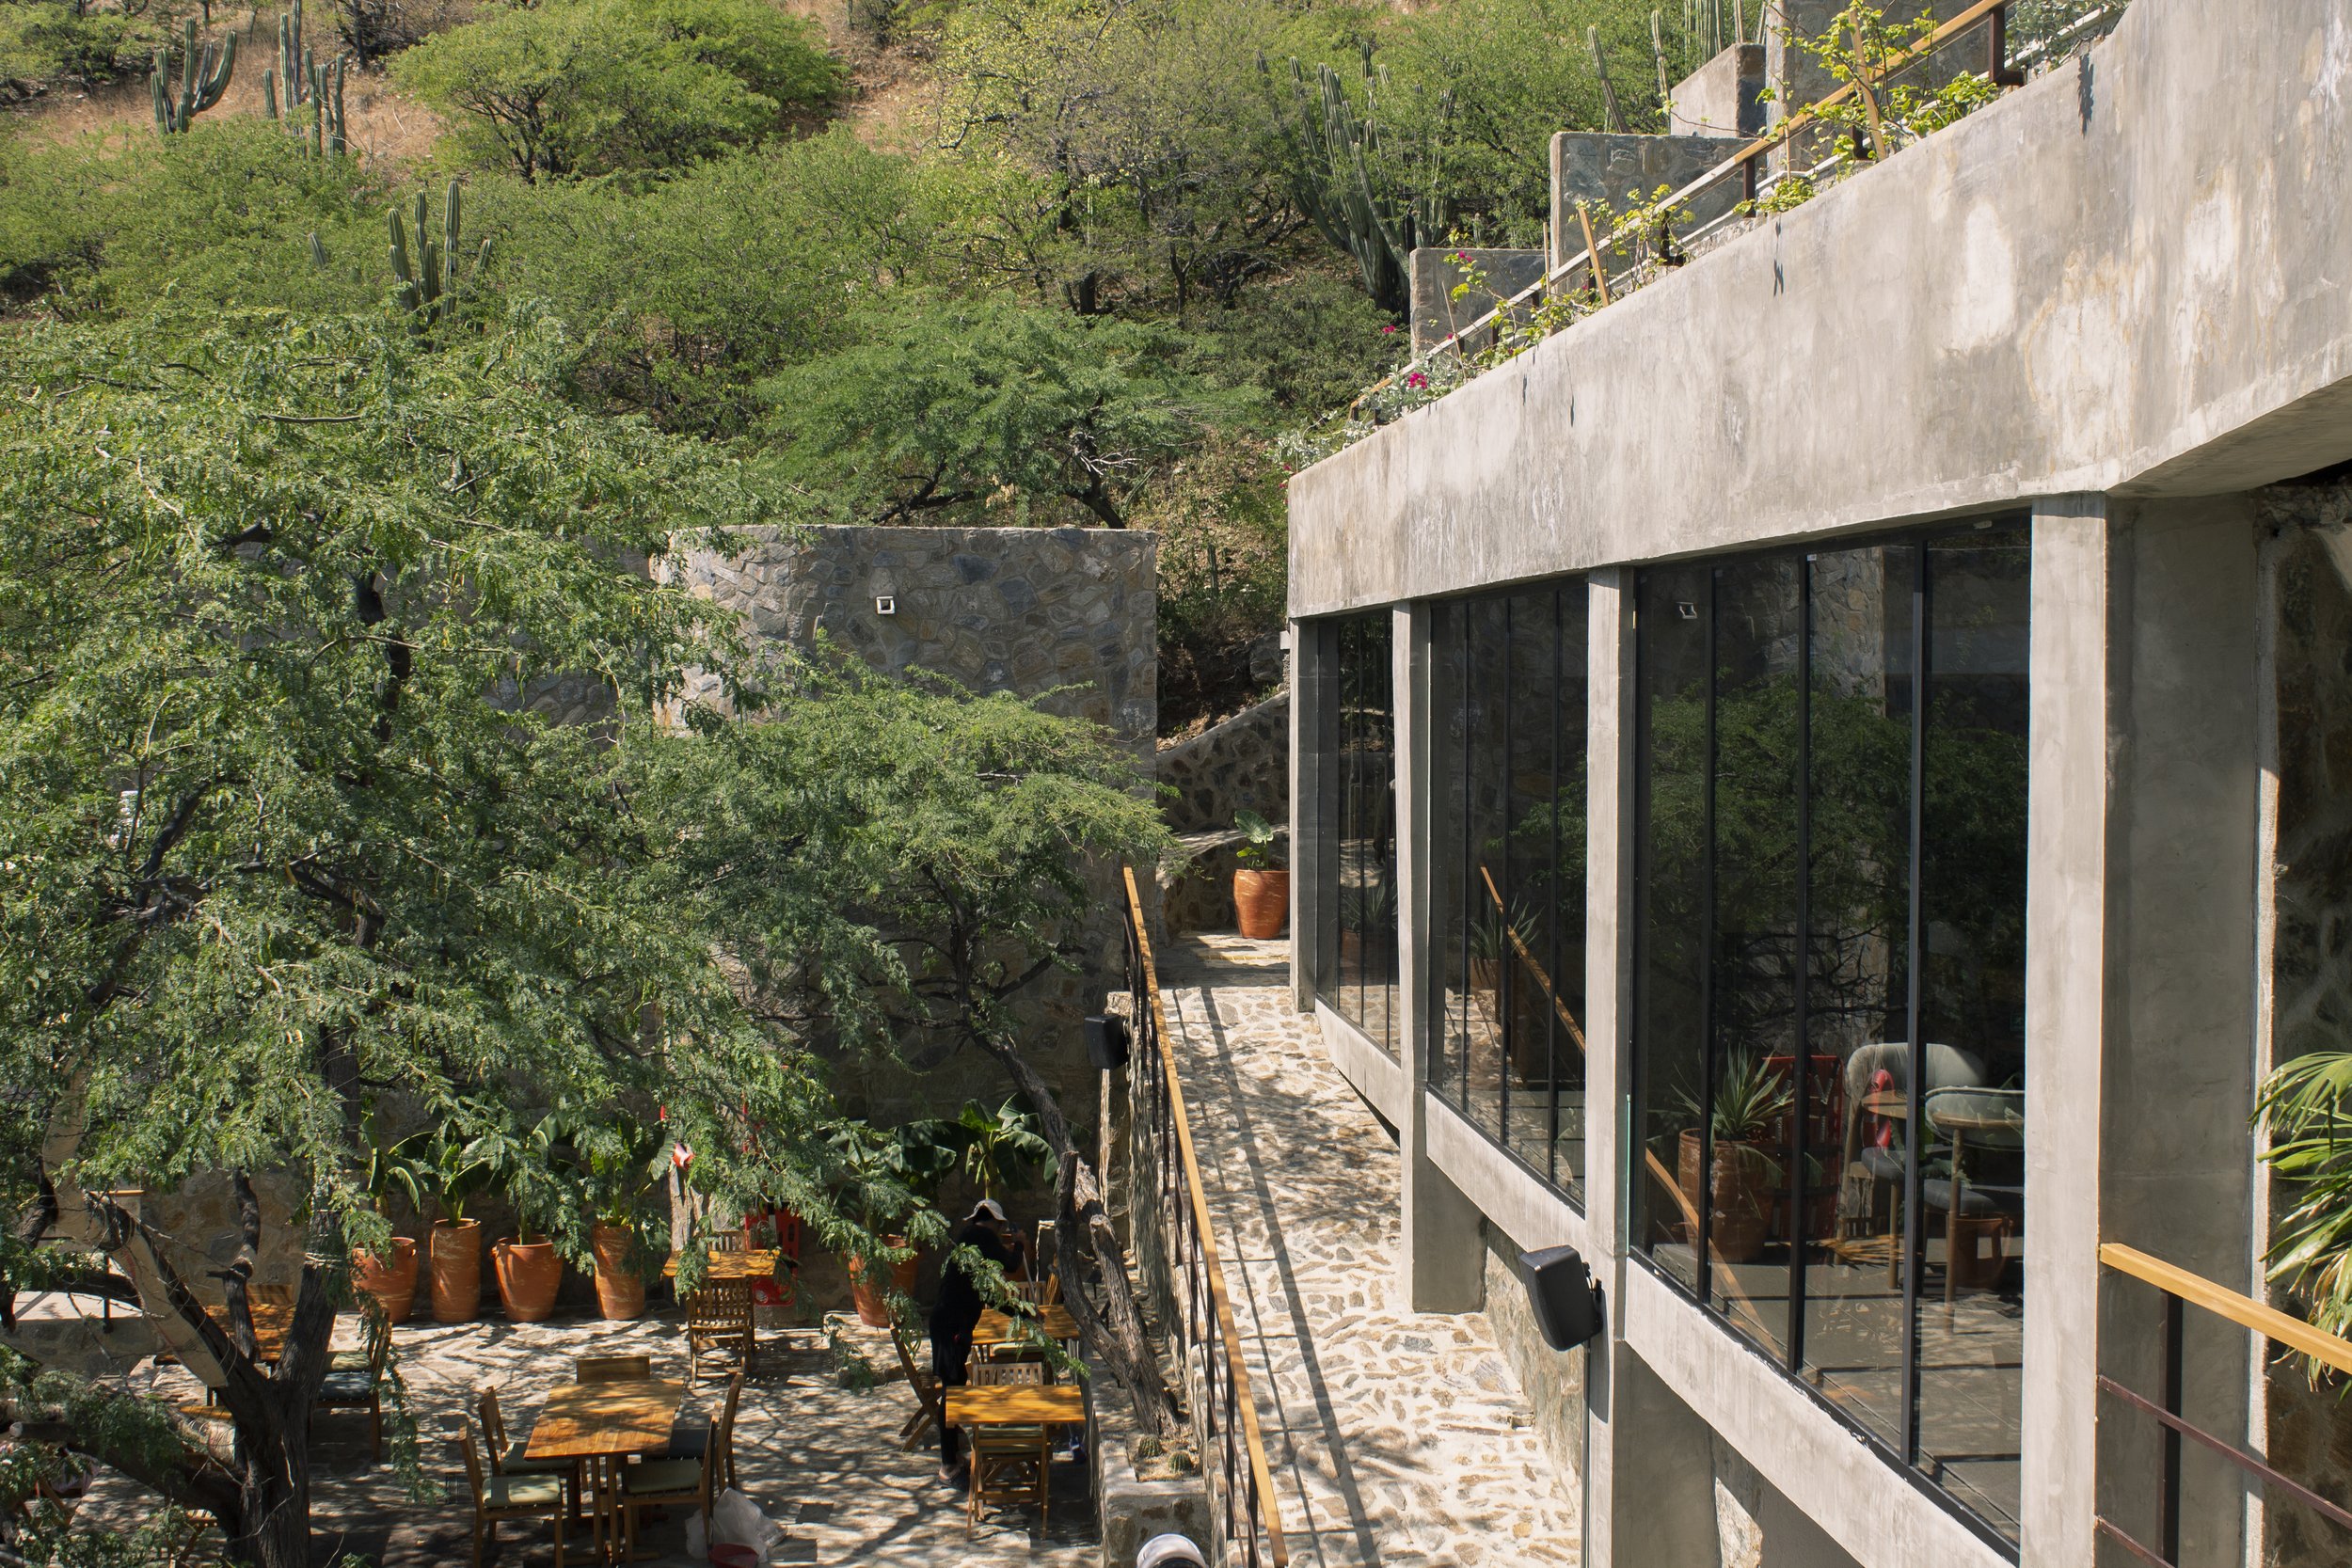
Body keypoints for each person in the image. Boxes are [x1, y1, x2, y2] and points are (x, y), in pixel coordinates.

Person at [929, 1196, 1029, 1481]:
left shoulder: (970, 1240)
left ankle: (952, 1456)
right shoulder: (982, 1236)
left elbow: (990, 1296)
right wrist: (1020, 1243)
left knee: (955, 1386)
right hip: (950, 1327)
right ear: (995, 1223)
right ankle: (947, 1466)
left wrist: (1024, 1314)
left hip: (948, 1324)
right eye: (1001, 1227)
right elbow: (1011, 1264)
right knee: (952, 1395)